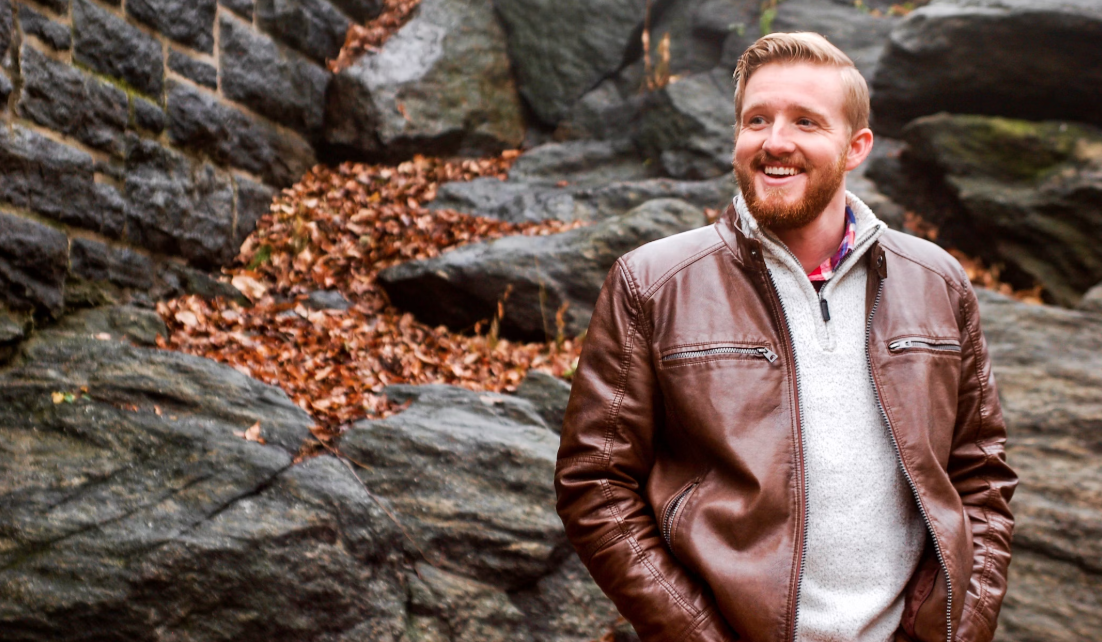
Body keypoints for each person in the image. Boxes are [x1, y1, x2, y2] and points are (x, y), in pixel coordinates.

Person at [554, 32, 1016, 642]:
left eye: (805, 122)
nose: (776, 142)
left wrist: (960, 627)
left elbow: (981, 477)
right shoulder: (653, 283)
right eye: (757, 120)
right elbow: (595, 483)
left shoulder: (936, 281)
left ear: (856, 148)